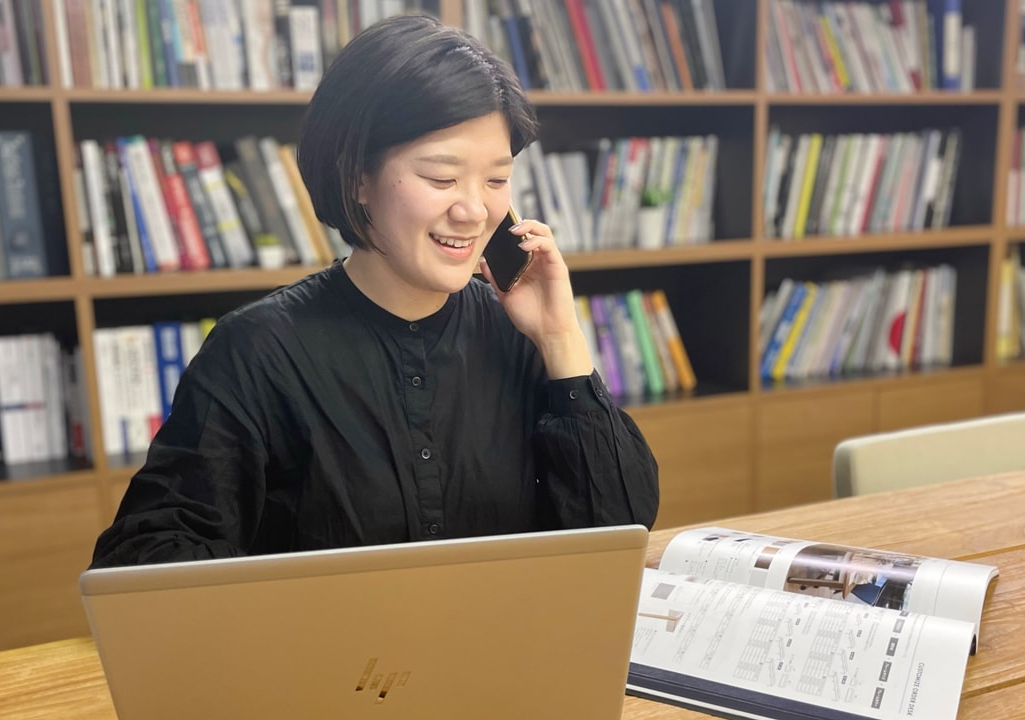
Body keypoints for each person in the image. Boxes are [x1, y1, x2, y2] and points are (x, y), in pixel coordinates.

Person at [90, 13, 659, 569]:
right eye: (441, 178)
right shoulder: (257, 351)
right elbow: (150, 559)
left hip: (496, 656)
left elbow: (616, 537)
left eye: (496, 179)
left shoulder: (517, 334)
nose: (473, 210)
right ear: (358, 177)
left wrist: (560, 339)